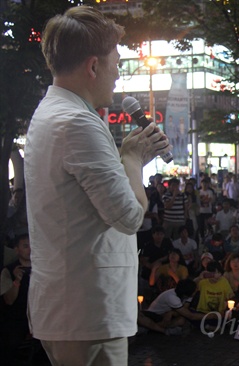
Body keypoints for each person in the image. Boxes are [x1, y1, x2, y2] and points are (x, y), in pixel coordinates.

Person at [24, 6, 172, 365]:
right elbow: (128, 216)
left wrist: (126, 156)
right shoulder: (78, 123)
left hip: (71, 308)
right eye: (116, 64)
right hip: (87, 312)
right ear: (93, 66)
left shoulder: (54, 112)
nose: (118, 76)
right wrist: (133, 159)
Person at [0, 234, 35, 362]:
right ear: (17, 250)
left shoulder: (43, 269)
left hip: (39, 315)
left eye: (32, 246)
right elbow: (9, 300)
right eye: (25, 246)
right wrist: (17, 280)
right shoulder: (8, 270)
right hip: (17, 318)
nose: (30, 250)